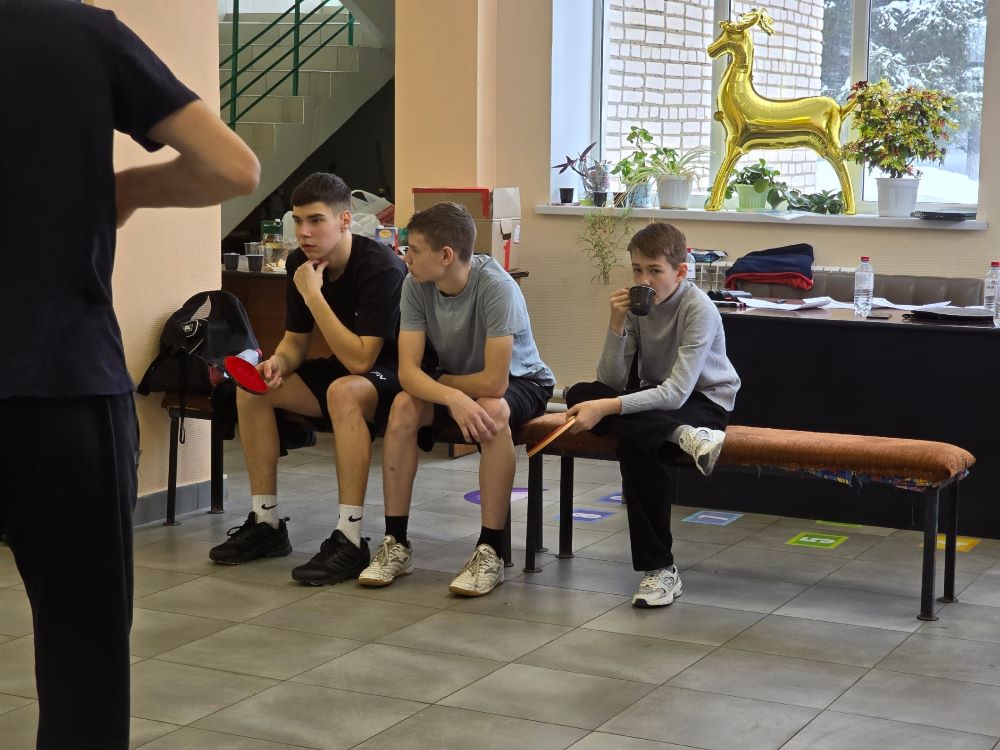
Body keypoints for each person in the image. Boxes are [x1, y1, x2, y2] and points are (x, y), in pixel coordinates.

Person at [0, 3, 260, 749]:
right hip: (62, 385)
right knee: (82, 661)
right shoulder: (81, 33)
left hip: (63, 379)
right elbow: (233, 166)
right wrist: (127, 189)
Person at [209, 173, 410, 589]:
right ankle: (266, 522)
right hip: (346, 365)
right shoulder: (300, 265)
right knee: (254, 389)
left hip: (396, 373)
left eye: (316, 220)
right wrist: (278, 363)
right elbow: (296, 343)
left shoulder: (381, 268)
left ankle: (349, 538)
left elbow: (361, 360)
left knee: (343, 390)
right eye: (298, 220)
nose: (303, 232)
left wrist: (313, 295)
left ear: (345, 221)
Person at [358, 202, 555, 596]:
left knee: (491, 410)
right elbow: (408, 373)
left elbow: (495, 382)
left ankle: (490, 550)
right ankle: (396, 543)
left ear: (446, 255)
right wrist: (451, 395)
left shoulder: (497, 287)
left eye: (414, 250)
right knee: (403, 406)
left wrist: (446, 388)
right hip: (458, 383)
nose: (405, 257)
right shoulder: (414, 285)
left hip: (524, 380)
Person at [564, 222, 741, 608]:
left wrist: (607, 407)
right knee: (579, 393)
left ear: (680, 271)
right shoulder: (637, 307)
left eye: (655, 271)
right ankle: (683, 436)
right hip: (662, 408)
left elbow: (677, 392)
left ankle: (660, 569)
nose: (643, 280)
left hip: (704, 401)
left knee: (635, 443)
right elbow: (610, 380)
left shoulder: (698, 308)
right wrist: (616, 324)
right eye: (637, 270)